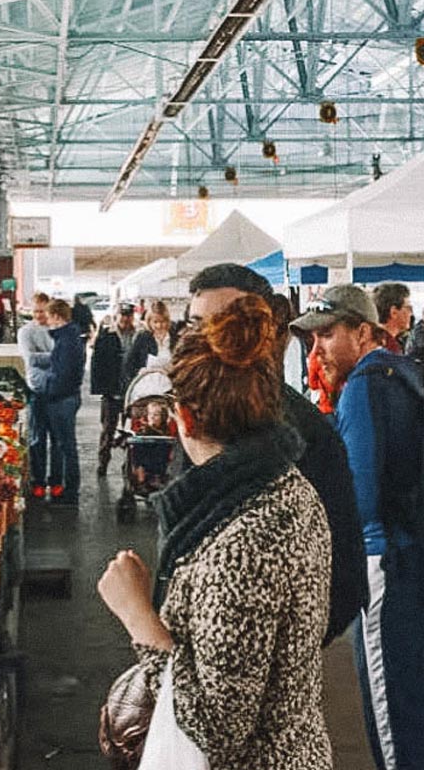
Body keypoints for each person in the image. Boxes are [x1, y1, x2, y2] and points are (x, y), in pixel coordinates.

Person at [98, 296, 333, 768]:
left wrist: (137, 615)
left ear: (184, 418)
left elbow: (215, 729)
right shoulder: (288, 488)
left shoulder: (243, 543)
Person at [188, 264, 367, 647]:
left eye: (226, 323)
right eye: (196, 324)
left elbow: (345, 579)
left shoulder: (303, 434)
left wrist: (273, 653)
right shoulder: (199, 422)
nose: (208, 339)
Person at [292, 285, 424, 770]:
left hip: (383, 561)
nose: (317, 350)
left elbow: (360, 500)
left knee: (390, 711)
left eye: (327, 334)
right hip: (409, 557)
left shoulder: (365, 386)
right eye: (311, 340)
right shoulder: (401, 374)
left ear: (363, 332)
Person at [40, 298, 85, 505]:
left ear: (57, 317)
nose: (47, 321)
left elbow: (63, 374)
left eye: (49, 317)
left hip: (61, 399)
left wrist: (48, 388)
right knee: (64, 444)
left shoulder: (66, 341)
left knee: (66, 445)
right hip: (67, 397)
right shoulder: (71, 337)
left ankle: (71, 491)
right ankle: (66, 487)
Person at [90, 303, 136, 476]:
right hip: (111, 391)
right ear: (116, 316)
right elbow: (97, 364)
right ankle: (103, 462)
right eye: (122, 315)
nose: (125, 319)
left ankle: (129, 467)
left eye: (128, 315)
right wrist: (101, 389)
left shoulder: (138, 336)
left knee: (132, 430)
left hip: (132, 391)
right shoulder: (106, 335)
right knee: (108, 429)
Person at [18, 292, 54, 499]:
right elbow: (30, 358)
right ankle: (38, 481)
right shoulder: (25, 332)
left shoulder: (57, 329)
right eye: (36, 311)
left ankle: (57, 481)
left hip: (58, 390)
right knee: (37, 438)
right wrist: (55, 357)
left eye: (43, 311)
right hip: (37, 390)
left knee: (58, 440)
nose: (39, 315)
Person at [122, 299, 174, 395]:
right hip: (145, 388)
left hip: (170, 387)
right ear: (149, 322)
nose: (159, 325)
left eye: (162, 322)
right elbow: (129, 364)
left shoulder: (174, 338)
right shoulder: (143, 338)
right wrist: (139, 372)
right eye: (155, 322)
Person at [372, 282, 412, 354]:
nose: (411, 313)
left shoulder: (372, 340)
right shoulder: (389, 347)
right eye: (408, 308)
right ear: (394, 312)